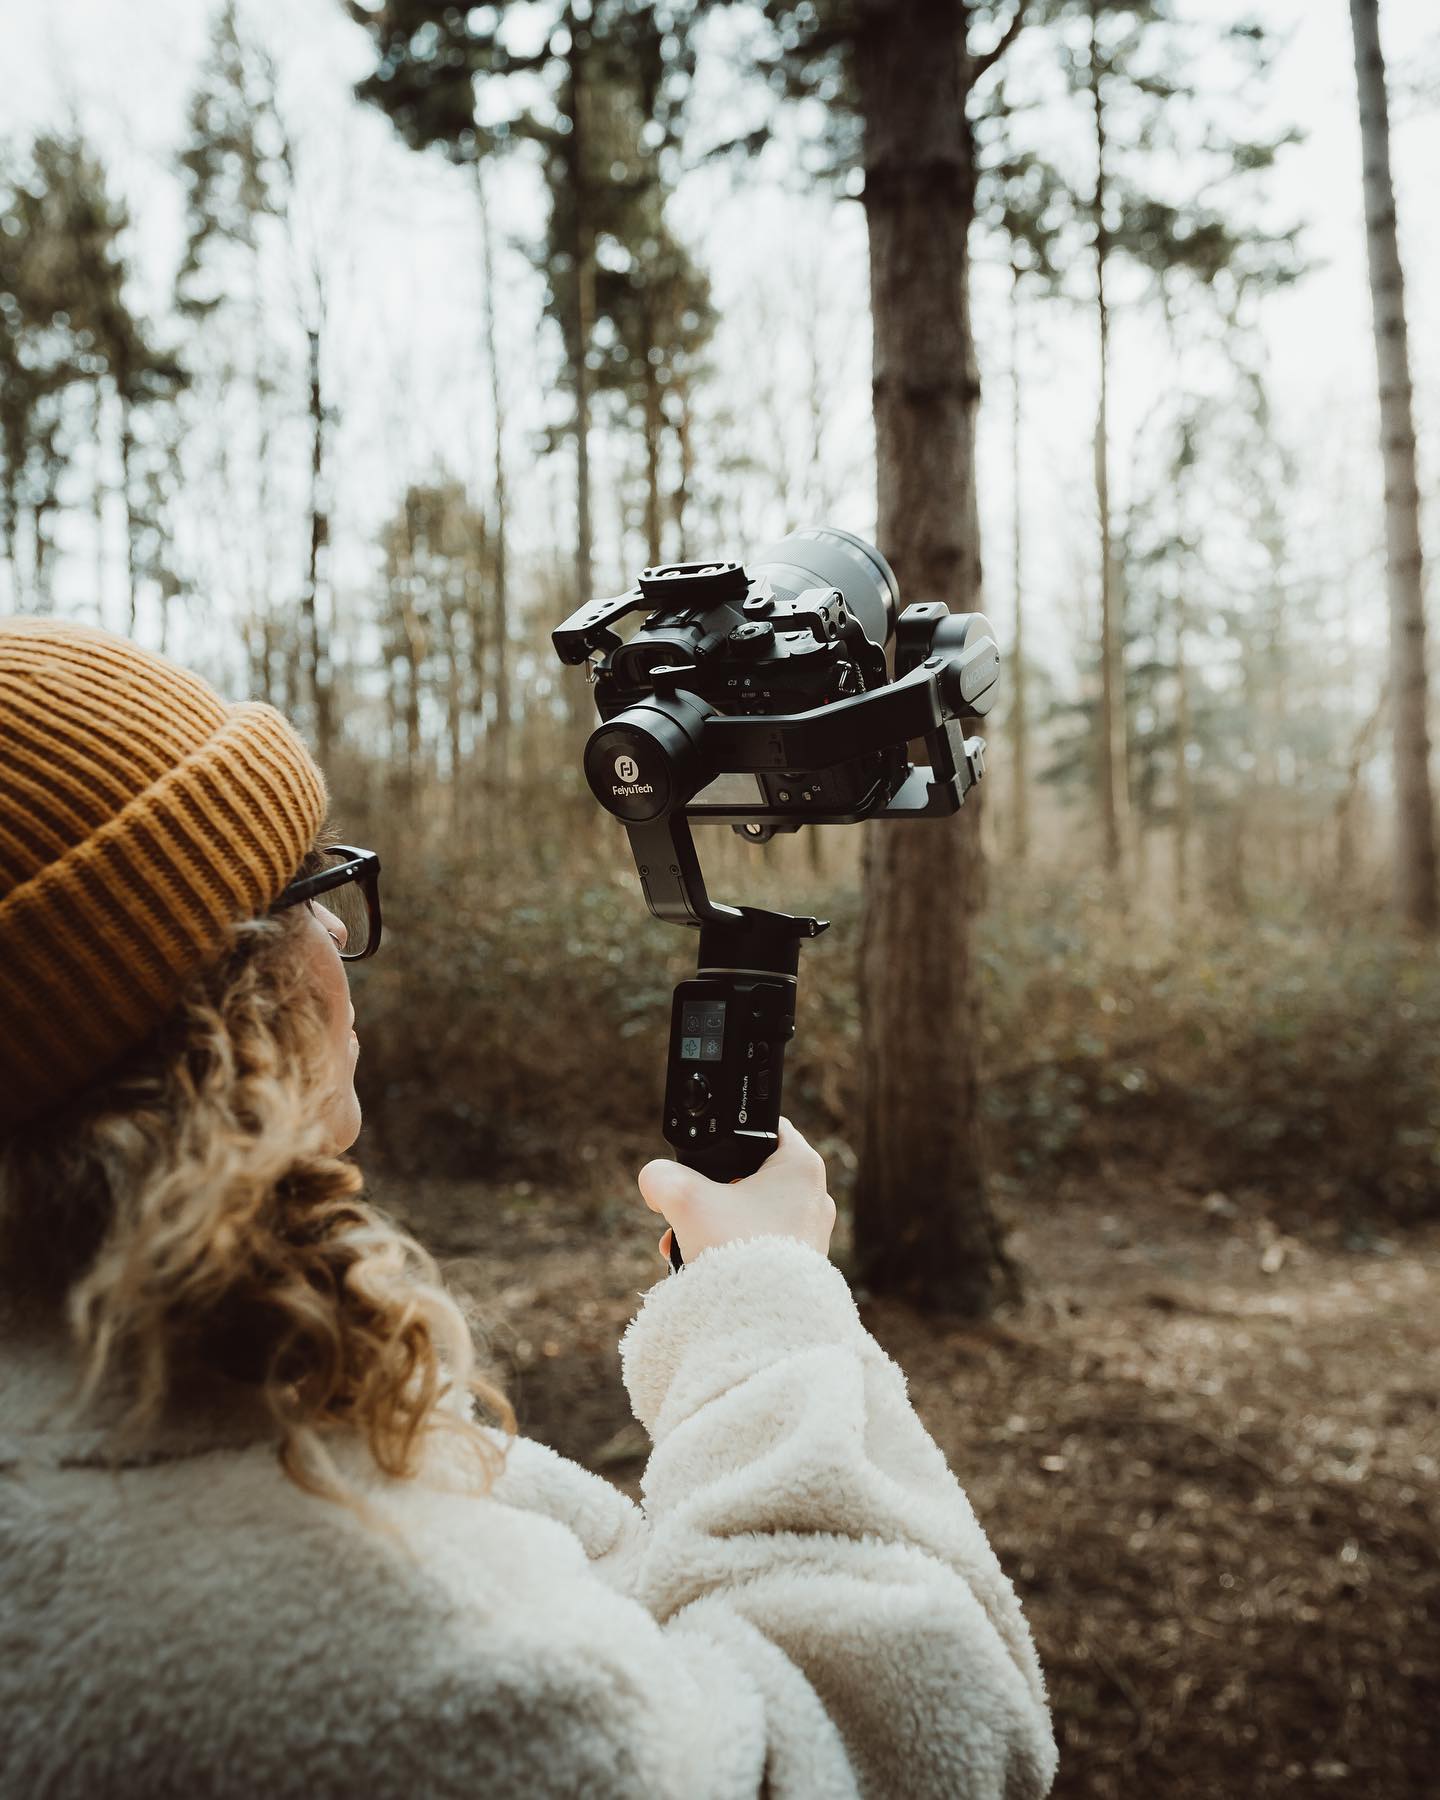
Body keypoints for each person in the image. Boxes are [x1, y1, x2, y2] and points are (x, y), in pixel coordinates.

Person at [0, 617, 1057, 1799]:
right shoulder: (326, 1614)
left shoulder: (161, 1392)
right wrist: (767, 1308)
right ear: (215, 1014)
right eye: (303, 890)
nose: (336, 929)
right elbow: (923, 1740)